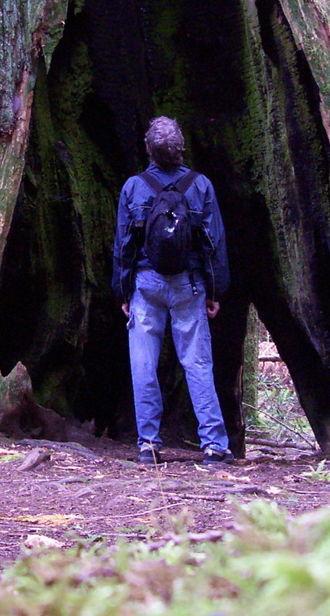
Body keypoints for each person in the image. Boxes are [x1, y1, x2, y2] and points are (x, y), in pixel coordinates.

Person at [112, 117, 233, 465]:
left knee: (143, 364)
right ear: (181, 149)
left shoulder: (134, 187)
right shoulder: (201, 185)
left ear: (148, 149)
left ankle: (148, 444)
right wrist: (214, 291)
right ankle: (213, 444)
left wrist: (123, 292)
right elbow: (214, 244)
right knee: (197, 362)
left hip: (145, 285)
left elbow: (124, 246)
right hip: (188, 285)